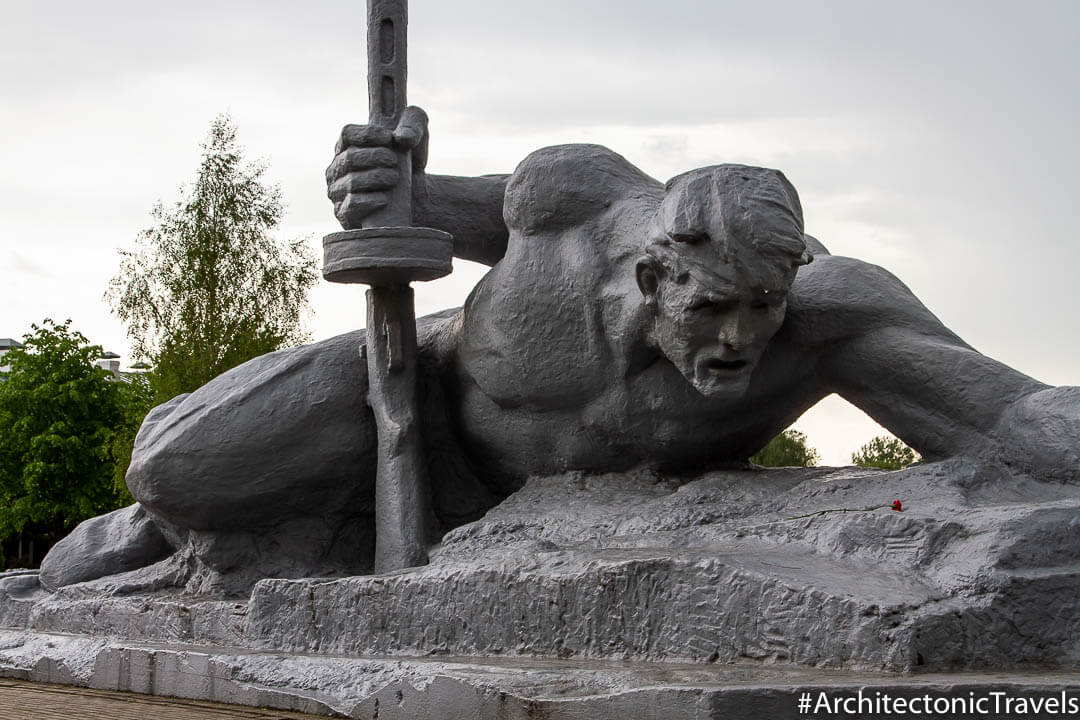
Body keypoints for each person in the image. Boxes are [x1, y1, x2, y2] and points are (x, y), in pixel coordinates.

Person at [40, 109, 1079, 590]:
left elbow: (1011, 413)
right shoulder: (566, 204)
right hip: (403, 407)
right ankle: (156, 537)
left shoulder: (830, 311)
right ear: (654, 275)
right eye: (716, 306)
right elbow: (412, 209)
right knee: (174, 468)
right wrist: (378, 183)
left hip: (499, 525)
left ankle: (202, 550)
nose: (742, 340)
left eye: (764, 307)